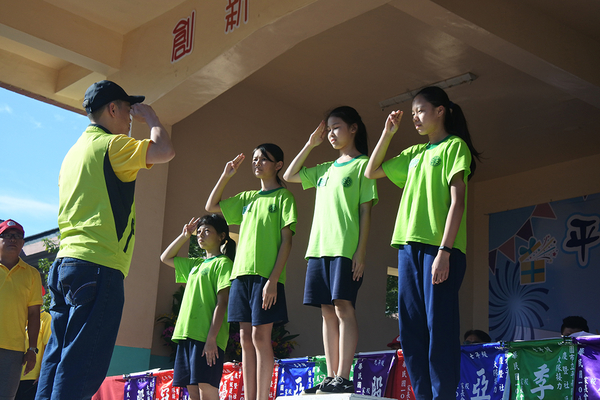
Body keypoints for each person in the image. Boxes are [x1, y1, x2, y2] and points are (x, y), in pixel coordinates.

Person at [36, 80, 176, 400]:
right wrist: (153, 118)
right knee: (82, 366)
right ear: (112, 109)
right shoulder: (112, 146)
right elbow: (165, 150)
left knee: (56, 360)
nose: (130, 120)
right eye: (128, 110)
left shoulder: (74, 153)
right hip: (98, 267)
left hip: (64, 266)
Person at [365, 86, 481, 400]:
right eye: (413, 112)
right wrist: (388, 134)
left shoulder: (455, 147)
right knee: (412, 332)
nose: (415, 117)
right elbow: (371, 169)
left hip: (440, 249)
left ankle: (443, 396)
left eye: (421, 110)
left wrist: (444, 251)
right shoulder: (414, 154)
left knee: (439, 329)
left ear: (440, 110)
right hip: (407, 248)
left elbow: (458, 203)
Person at [283, 106, 377, 394]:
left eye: (337, 127)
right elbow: (290, 175)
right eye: (329, 129)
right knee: (326, 311)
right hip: (318, 250)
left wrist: (360, 253)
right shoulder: (324, 169)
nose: (331, 134)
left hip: (345, 250)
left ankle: (344, 376)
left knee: (343, 307)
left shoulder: (364, 166)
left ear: (353, 129)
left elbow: (365, 212)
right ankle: (330, 375)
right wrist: (312, 143)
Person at [206, 143, 297, 400]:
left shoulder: (283, 197)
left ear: (278, 165)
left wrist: (273, 280)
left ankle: (261, 397)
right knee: (245, 336)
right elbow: (212, 205)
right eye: (254, 159)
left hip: (266, 278)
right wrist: (226, 175)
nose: (257, 163)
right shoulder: (248, 198)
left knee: (260, 336)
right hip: (240, 276)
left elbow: (287, 241)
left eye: (263, 159)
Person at [160, 214, 235, 400]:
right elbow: (165, 257)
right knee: (192, 391)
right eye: (199, 232)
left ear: (221, 236)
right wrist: (185, 235)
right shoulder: (196, 265)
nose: (201, 235)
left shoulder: (223, 263)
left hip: (206, 337)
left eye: (207, 230)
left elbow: (222, 302)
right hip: (186, 335)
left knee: (206, 389)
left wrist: (212, 338)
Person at [0, 219, 43, 400]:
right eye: (7, 236)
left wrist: (32, 350)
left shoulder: (32, 274)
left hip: (14, 351)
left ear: (23, 243)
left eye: (18, 236)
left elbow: (34, 315)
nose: (13, 240)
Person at [16, 309, 52, 400]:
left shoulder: (46, 318)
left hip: (32, 379)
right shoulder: (18, 317)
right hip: (13, 378)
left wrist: (43, 374)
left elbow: (49, 348)